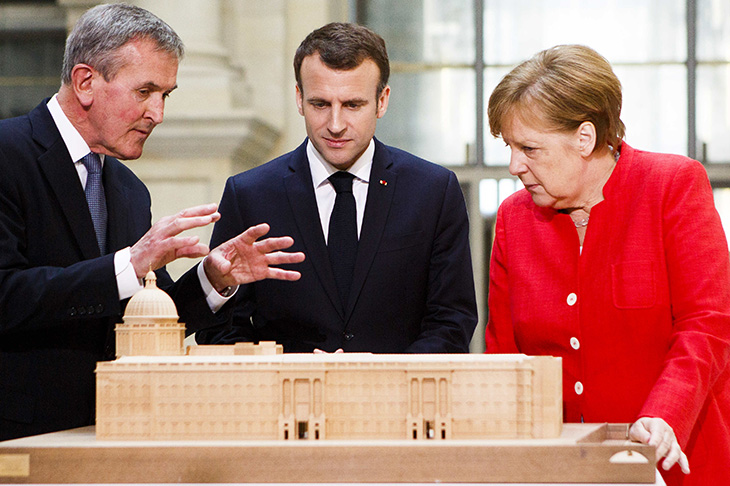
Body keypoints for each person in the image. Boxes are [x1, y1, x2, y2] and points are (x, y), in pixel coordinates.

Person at [0, 3, 303, 441]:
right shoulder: (8, 155)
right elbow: (7, 295)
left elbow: (146, 314)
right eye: (145, 92)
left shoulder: (127, 189)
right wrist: (131, 263)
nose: (158, 114)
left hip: (113, 431)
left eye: (166, 95)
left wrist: (212, 280)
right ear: (86, 81)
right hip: (19, 437)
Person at [484, 44, 730, 485]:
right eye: (509, 146)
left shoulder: (672, 186)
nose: (513, 165)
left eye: (529, 148)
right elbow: (505, 357)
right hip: (555, 472)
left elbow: (708, 325)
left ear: (585, 137)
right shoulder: (513, 219)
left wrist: (664, 413)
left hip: (676, 464)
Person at [196, 22, 477, 353]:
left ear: (382, 101)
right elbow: (221, 328)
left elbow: (451, 320)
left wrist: (384, 381)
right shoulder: (249, 194)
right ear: (299, 98)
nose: (335, 125)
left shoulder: (433, 191)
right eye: (320, 104)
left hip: (399, 398)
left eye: (352, 105)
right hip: (286, 399)